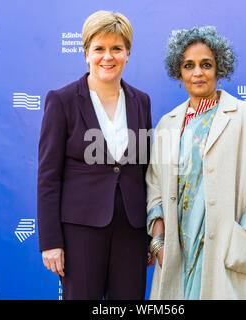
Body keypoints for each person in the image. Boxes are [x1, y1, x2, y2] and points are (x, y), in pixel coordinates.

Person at [146, 26, 246, 299]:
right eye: (189, 65)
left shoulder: (245, 117)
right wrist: (159, 240)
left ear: (219, 69)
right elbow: (154, 185)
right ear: (179, 73)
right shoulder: (168, 124)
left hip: (229, 245)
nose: (197, 73)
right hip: (179, 249)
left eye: (206, 65)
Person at [37, 10, 152, 300]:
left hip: (132, 231)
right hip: (80, 232)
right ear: (86, 52)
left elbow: (145, 170)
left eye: (117, 48)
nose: (107, 57)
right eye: (99, 48)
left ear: (127, 54)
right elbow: (49, 176)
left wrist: (152, 234)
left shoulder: (141, 101)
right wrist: (51, 241)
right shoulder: (62, 100)